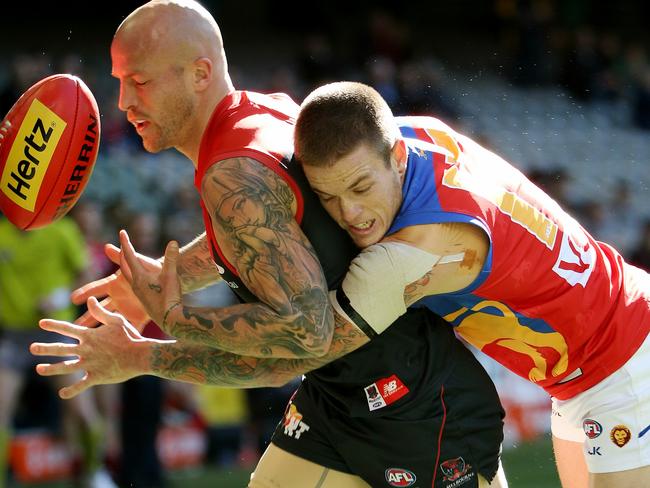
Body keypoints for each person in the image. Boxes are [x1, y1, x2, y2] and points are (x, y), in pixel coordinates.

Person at [30, 2, 506, 487]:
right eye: (119, 81)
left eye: (140, 81)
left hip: (422, 412)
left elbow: (303, 333)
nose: (123, 101)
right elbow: (266, 238)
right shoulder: (265, 113)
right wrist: (166, 277)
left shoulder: (232, 172)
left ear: (200, 73)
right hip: (342, 402)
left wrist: (162, 335)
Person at [291, 81, 650, 488]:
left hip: (623, 358)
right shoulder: (411, 136)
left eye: (360, 188)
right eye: (327, 196)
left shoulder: (424, 244)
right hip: (585, 368)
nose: (349, 212)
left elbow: (313, 344)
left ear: (397, 157)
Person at [0, 214, 116, 488]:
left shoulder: (63, 230)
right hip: (14, 337)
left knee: (84, 414)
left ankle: (93, 473)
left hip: (55, 334)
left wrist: (61, 296)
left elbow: (87, 275)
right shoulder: (2, 234)